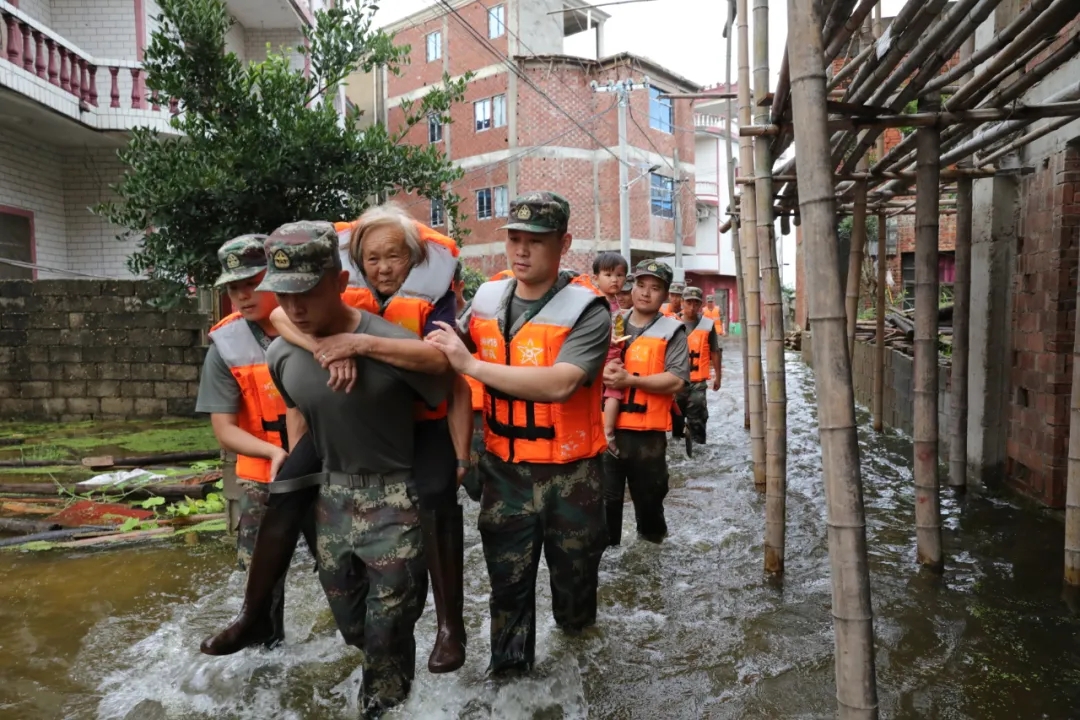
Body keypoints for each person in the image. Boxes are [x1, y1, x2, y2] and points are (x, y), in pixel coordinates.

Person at [259, 223, 450, 717]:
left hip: (395, 503)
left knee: (388, 634)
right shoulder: (282, 352)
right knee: (354, 627)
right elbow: (300, 413)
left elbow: (448, 381)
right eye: (285, 294)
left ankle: (398, 687)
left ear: (340, 283)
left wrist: (464, 461)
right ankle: (253, 612)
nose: (296, 307)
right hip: (332, 506)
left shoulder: (394, 342)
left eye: (307, 292)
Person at [425, 191, 611, 676]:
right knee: (507, 586)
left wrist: (470, 364)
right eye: (514, 239)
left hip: (572, 475)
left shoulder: (589, 310)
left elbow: (562, 382)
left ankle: (578, 666)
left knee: (574, 588)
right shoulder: (486, 297)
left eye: (537, 241)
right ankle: (509, 682)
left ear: (563, 243)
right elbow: (443, 350)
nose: (522, 251)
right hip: (504, 472)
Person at [195, 234, 301, 651]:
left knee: (345, 575)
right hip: (264, 477)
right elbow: (224, 430)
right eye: (233, 287)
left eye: (252, 282)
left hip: (322, 469)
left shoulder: (314, 325)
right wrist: (275, 452)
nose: (242, 295)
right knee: (261, 586)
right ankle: (266, 655)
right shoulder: (225, 345)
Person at [602, 260, 689, 546]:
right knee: (605, 502)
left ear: (666, 295)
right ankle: (609, 557)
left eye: (655, 288)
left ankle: (652, 556)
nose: (645, 293)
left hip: (648, 439)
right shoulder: (611, 321)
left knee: (650, 504)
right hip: (606, 432)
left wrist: (631, 381)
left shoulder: (672, 331)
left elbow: (677, 381)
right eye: (640, 285)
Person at [672, 286, 723, 455]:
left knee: (698, 419)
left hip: (698, 382)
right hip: (675, 380)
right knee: (675, 419)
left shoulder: (707, 325)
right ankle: (677, 452)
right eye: (688, 302)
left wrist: (718, 377)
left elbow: (715, 351)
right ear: (682, 302)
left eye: (696, 303)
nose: (692, 307)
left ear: (700, 305)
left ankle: (699, 451)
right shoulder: (671, 322)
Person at [592, 251, 630, 455]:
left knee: (612, 391)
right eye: (608, 275)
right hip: (602, 354)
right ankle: (607, 433)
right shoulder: (595, 302)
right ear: (595, 278)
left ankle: (605, 432)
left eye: (620, 275)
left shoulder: (615, 302)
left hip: (614, 353)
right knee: (612, 392)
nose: (614, 280)